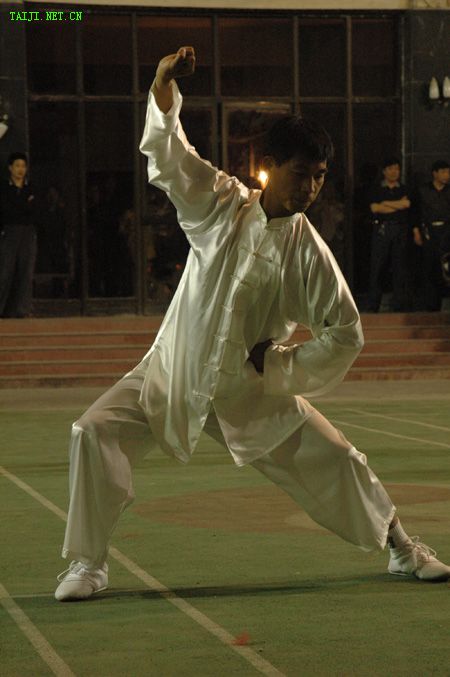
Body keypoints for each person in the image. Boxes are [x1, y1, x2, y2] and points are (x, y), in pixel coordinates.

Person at [55, 47, 450, 601]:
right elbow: (170, 156)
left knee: (335, 456)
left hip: (249, 388)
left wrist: (282, 365)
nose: (310, 188)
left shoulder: (309, 253)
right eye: (300, 174)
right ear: (270, 166)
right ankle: (88, 564)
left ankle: (403, 549)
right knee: (93, 430)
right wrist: (164, 86)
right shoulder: (221, 204)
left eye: (319, 177)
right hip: (174, 369)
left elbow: (346, 332)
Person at [366, 158, 410, 312]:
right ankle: (373, 305)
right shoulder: (376, 189)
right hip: (382, 229)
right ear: (384, 171)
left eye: (397, 169)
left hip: (400, 229)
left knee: (400, 267)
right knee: (378, 267)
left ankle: (399, 305)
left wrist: (385, 203)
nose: (394, 172)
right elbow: (375, 208)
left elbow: (407, 205)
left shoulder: (404, 189)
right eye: (391, 169)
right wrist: (398, 205)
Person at [0, 152, 37, 318]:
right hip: (9, 231)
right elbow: (6, 210)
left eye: (23, 166)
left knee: (26, 271)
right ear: (10, 168)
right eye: (17, 166)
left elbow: (34, 211)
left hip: (28, 232)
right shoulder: (4, 188)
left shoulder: (31, 187)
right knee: (5, 271)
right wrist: (24, 204)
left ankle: (23, 310)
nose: (20, 170)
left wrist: (21, 207)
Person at [412, 160, 450, 311]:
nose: (446, 175)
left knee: (445, 268)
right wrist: (416, 231)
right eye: (443, 172)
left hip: (447, 232)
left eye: (448, 172)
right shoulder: (423, 190)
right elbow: (415, 212)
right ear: (435, 173)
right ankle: (430, 306)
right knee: (429, 268)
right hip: (428, 232)